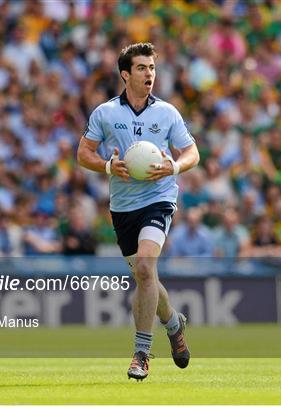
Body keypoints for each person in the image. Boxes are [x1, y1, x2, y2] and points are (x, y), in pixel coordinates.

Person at [77, 42, 199, 381]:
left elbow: (192, 153)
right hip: (124, 207)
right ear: (125, 74)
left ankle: (142, 353)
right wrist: (107, 167)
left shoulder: (167, 113)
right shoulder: (105, 113)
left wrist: (174, 167)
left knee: (146, 266)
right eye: (142, 68)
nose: (149, 74)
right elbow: (82, 153)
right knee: (145, 276)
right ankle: (173, 323)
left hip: (159, 198)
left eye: (152, 68)